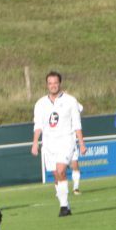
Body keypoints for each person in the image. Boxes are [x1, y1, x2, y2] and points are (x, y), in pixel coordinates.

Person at [31, 72, 87, 216]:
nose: (53, 86)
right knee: (56, 175)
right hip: (49, 143)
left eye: (55, 83)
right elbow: (38, 125)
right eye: (50, 83)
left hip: (66, 140)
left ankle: (63, 206)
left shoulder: (70, 101)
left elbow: (77, 123)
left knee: (61, 170)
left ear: (60, 83)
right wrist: (35, 142)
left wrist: (81, 143)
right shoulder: (40, 103)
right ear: (47, 85)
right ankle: (66, 205)